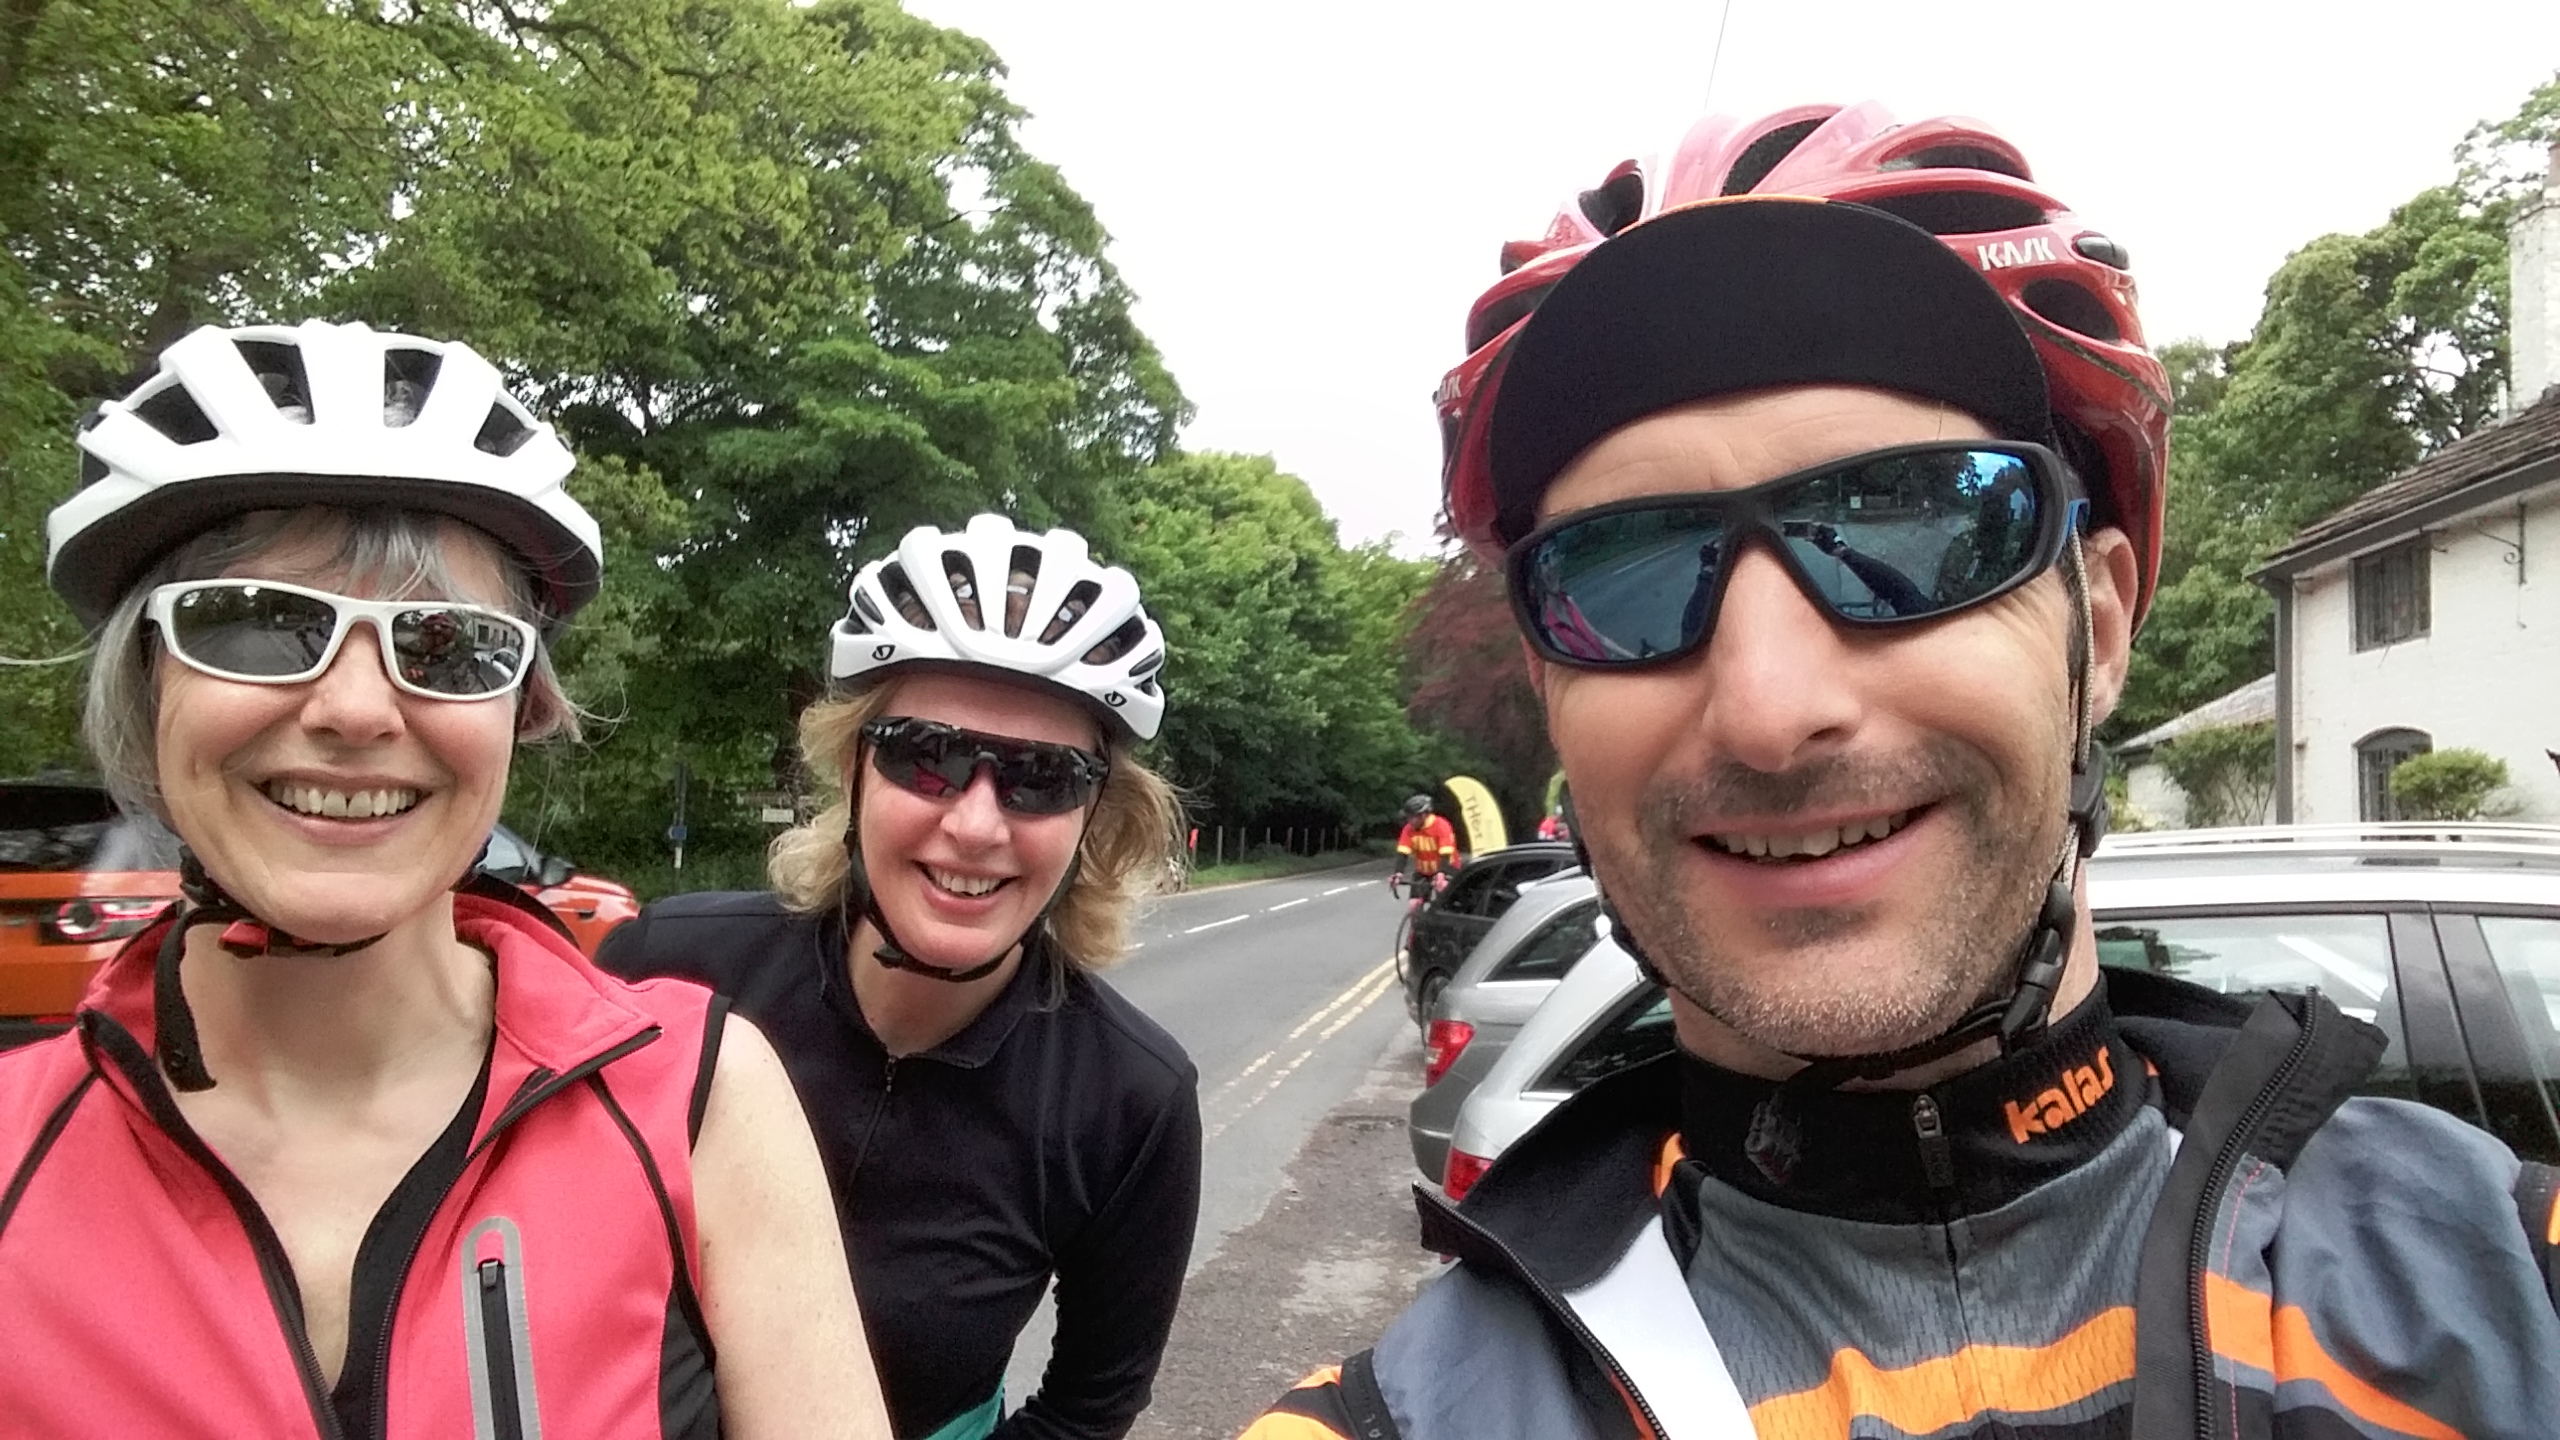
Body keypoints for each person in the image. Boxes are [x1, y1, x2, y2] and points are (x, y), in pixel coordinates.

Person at [1248, 103, 2560, 1440]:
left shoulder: (2516, 1284)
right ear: (1555, 695)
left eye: (1917, 524)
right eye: (1626, 577)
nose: (1771, 710)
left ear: (2097, 630)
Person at [0, 320, 888, 1438]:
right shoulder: (14, 1153)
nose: (358, 709)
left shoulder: (697, 1097)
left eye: (447, 645)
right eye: (263, 628)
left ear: (524, 713)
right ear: (145, 678)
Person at [596, 514, 1200, 1440]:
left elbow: (1087, 1410)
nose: (977, 824)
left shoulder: (1131, 1100)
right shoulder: (668, 969)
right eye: (929, 755)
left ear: (1095, 816)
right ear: (854, 766)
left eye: (1041, 777)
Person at [1393, 795, 1460, 893]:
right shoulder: (1408, 829)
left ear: (1423, 815)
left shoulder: (1441, 826)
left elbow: (1446, 853)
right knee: (1413, 905)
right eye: (1408, 817)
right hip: (1423, 871)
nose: (1409, 820)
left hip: (1446, 867)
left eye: (1412, 817)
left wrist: (1441, 873)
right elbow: (1403, 853)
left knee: (1442, 896)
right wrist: (1398, 873)